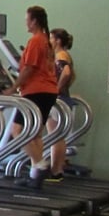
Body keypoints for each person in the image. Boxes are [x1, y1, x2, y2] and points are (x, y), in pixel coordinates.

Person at [1, 6, 60, 189]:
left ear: (34, 21)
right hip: (48, 91)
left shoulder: (35, 41)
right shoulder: (45, 41)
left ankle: (40, 164)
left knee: (17, 130)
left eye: (27, 19)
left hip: (36, 91)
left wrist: (13, 87)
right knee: (35, 134)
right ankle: (36, 175)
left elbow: (29, 69)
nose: (25, 22)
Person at [47, 28, 76, 180]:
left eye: (51, 38)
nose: (49, 41)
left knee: (54, 137)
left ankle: (54, 170)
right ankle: (58, 170)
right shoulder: (65, 55)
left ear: (57, 41)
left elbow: (66, 72)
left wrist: (56, 89)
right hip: (64, 98)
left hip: (58, 100)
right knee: (59, 137)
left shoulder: (60, 55)